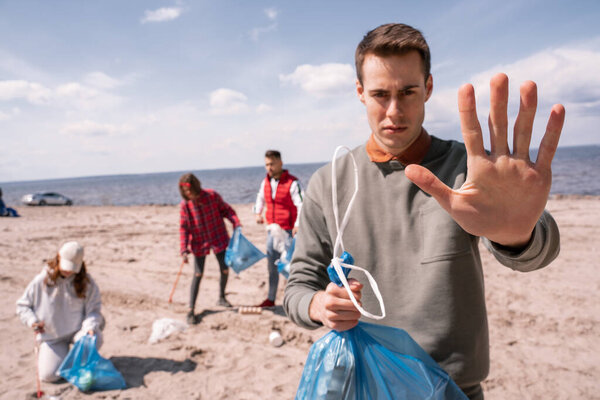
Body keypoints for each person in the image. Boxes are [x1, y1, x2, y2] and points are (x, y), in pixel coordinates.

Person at [283, 23, 564, 400]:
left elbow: (537, 250)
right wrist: (319, 304)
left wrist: (518, 235)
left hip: (451, 386)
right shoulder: (327, 183)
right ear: (360, 93)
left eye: (408, 92)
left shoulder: (468, 168)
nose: (394, 111)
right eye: (380, 94)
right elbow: (297, 286)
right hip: (360, 383)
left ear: (428, 88)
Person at [16, 241, 104, 382]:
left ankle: (78, 358)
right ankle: (64, 357)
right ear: (58, 258)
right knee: (48, 376)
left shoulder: (86, 282)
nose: (68, 271)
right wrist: (32, 321)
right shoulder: (42, 280)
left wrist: (89, 327)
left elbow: (94, 310)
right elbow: (23, 306)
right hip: (53, 336)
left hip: (78, 331)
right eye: (66, 266)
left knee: (94, 338)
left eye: (72, 268)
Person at [179, 173, 241, 323]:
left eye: (191, 192)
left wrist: (236, 222)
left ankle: (221, 297)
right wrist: (184, 249)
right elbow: (184, 228)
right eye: (186, 193)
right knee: (198, 274)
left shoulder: (212, 196)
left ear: (196, 187)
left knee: (225, 269)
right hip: (199, 243)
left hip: (218, 237)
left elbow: (227, 210)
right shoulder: (185, 205)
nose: (189, 195)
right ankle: (191, 309)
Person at [253, 150, 303, 308]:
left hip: (288, 231)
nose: (269, 167)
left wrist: (298, 224)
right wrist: (258, 213)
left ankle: (293, 300)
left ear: (280, 163)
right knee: (272, 265)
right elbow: (260, 198)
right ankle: (271, 298)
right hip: (272, 231)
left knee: (289, 267)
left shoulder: (293, 182)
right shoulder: (265, 182)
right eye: (267, 164)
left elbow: (301, 204)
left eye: (272, 164)